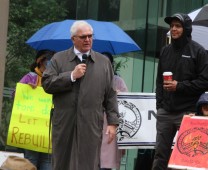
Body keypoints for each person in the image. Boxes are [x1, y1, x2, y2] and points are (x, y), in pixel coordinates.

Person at [42, 21, 119, 170]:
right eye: (83, 37)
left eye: (90, 36)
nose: (88, 40)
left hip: (91, 123)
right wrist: (71, 75)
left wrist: (112, 123)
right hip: (64, 122)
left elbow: (110, 95)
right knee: (62, 162)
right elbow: (46, 83)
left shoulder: (103, 63)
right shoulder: (59, 58)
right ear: (73, 39)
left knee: (88, 163)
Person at [152, 13, 208, 170]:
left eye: (177, 26)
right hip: (165, 111)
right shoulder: (165, 51)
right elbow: (159, 81)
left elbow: (205, 82)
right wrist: (160, 105)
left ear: (186, 28)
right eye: (171, 26)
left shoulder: (198, 51)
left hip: (188, 112)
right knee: (160, 154)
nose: (173, 29)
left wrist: (179, 86)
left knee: (188, 156)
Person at [19, 49, 55, 170]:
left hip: (50, 127)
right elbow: (16, 95)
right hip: (31, 129)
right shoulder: (30, 77)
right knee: (31, 159)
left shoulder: (56, 80)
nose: (50, 64)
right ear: (40, 62)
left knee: (47, 160)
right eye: (49, 61)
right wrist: (27, 88)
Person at [100, 52, 128, 170]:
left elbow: (127, 103)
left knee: (108, 162)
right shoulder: (91, 79)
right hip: (95, 122)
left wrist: (118, 95)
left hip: (111, 123)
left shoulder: (118, 81)